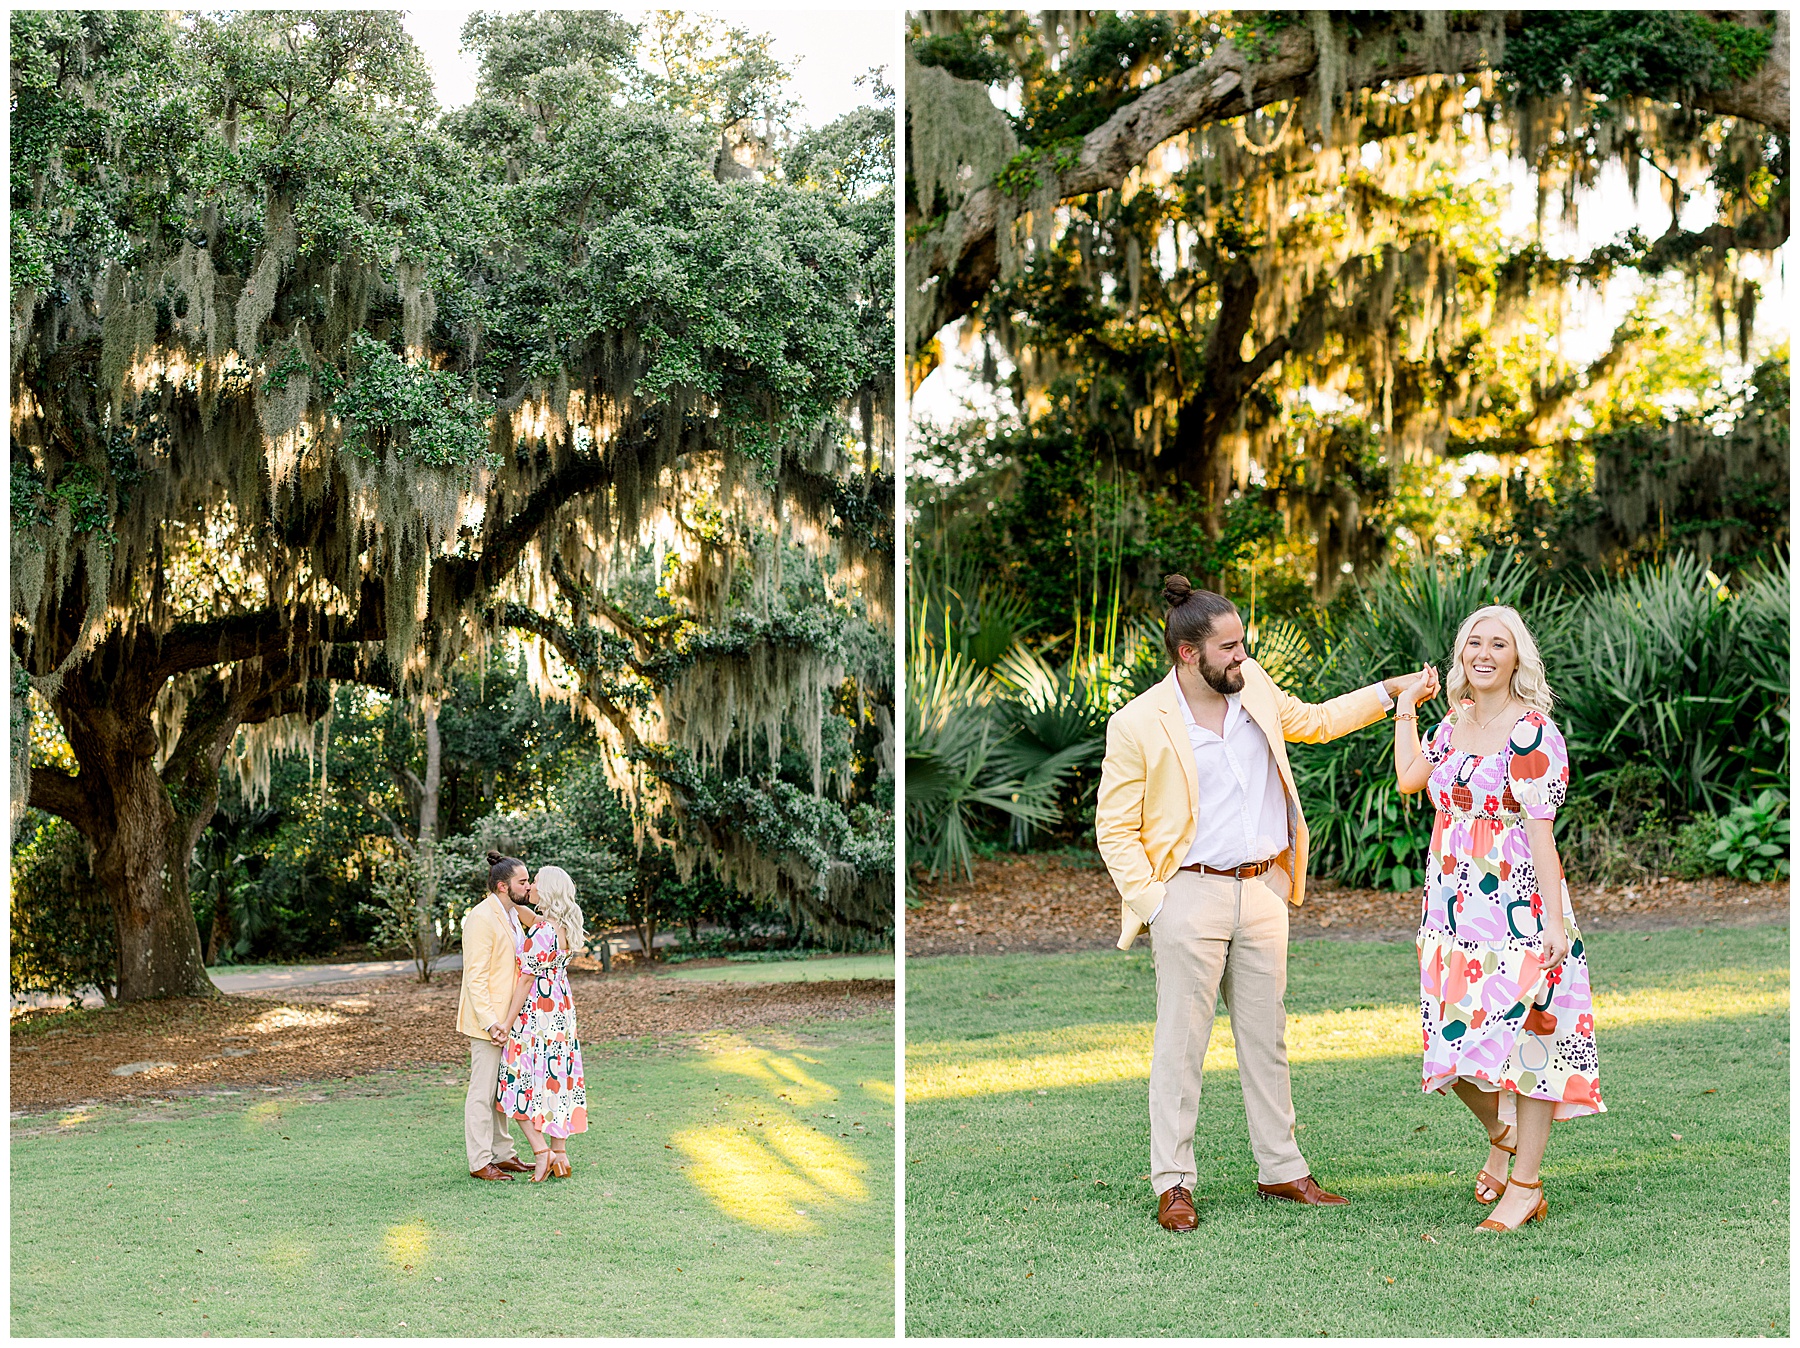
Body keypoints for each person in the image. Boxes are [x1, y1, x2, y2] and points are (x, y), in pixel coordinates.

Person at [1096, 574, 1432, 1233]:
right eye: (1228, 647)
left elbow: (1316, 722)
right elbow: (1115, 829)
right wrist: (1155, 905)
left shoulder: (1253, 687)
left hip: (1261, 891)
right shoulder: (1137, 722)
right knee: (1180, 1045)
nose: (1242, 656)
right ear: (1188, 654)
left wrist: (1389, 692)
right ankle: (1173, 1183)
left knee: (1267, 1040)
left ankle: (1281, 1169)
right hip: (1186, 894)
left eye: (1242, 643)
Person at [1393, 604, 1603, 1233]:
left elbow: (1541, 834)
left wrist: (1555, 925)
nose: (1483, 654)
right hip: (1452, 910)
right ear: (1461, 655)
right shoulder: (1452, 723)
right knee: (1450, 1046)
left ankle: (1526, 1186)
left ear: (1517, 660)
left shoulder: (1533, 732)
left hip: (1518, 906)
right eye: (1474, 643)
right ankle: (1502, 1133)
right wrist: (1406, 706)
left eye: (1498, 645)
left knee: (1531, 1043)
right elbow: (1409, 779)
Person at [496, 864, 590, 1182]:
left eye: (535, 882)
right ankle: (560, 1155)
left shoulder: (542, 932)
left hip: (537, 1014)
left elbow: (525, 980)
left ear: (546, 890)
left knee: (515, 1082)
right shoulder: (562, 927)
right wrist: (510, 903)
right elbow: (526, 914)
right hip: (560, 1012)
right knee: (555, 1080)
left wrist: (507, 1023)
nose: (530, 886)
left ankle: (542, 1153)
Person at [456, 851, 536, 1181]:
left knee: (501, 1090)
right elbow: (475, 978)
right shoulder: (481, 918)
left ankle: (503, 1154)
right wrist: (491, 1023)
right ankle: (479, 1161)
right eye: (523, 881)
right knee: (482, 1092)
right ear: (503, 886)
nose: (528, 886)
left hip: (509, 1019)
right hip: (487, 1022)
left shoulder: (512, 913)